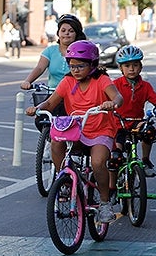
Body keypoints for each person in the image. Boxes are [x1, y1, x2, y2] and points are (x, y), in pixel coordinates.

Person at [25, 40, 124, 222]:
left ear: (93, 65)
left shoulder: (102, 80)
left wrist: (113, 103)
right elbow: (51, 102)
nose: (75, 70)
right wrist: (38, 108)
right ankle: (64, 179)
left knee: (98, 162)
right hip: (76, 130)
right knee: (56, 142)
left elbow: (117, 96)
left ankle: (104, 202)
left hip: (101, 131)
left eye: (80, 66)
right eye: (72, 66)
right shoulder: (67, 82)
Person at [111, 45, 156, 178]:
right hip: (118, 125)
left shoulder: (145, 86)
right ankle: (110, 191)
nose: (131, 69)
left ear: (141, 67)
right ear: (120, 68)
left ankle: (145, 161)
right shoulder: (115, 85)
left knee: (150, 130)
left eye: (135, 65)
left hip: (136, 123)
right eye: (127, 65)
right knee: (115, 159)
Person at [20, 14, 87, 91]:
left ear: (76, 34)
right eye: (63, 30)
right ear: (58, 33)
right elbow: (40, 68)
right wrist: (27, 81)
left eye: (71, 31)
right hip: (53, 95)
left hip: (76, 94)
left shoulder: (83, 51)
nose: (66, 33)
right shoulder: (50, 51)